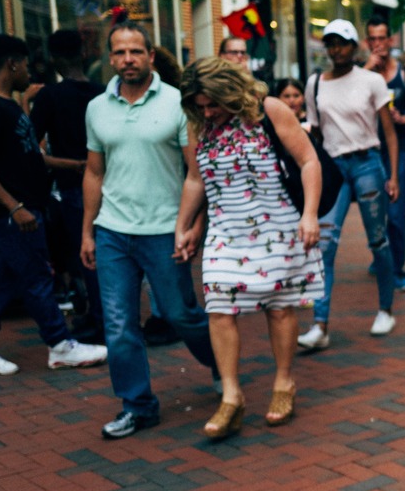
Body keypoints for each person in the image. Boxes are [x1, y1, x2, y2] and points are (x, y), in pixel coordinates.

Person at [82, 22, 218, 439]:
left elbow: (197, 173)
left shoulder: (179, 103)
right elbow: (93, 171)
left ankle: (220, 362)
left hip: (164, 231)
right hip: (112, 233)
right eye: (120, 53)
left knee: (182, 314)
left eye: (135, 52)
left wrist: (193, 225)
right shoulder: (97, 107)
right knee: (119, 323)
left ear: (151, 56)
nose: (128, 60)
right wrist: (87, 231)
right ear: (110, 58)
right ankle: (138, 406)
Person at [176, 57, 323, 438]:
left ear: (231, 92)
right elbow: (195, 179)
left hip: (276, 227)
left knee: (279, 308)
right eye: (201, 105)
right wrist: (185, 227)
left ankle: (284, 383)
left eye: (214, 104)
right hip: (224, 232)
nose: (208, 112)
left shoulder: (269, 110)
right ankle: (231, 395)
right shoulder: (198, 123)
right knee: (220, 309)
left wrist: (309, 214)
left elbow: (308, 160)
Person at [0, 34, 107, 375]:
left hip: (24, 209)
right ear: (12, 64)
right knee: (38, 276)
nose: (29, 71)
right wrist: (14, 207)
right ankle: (60, 345)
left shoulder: (9, 106)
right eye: (25, 64)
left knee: (0, 277)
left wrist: (75, 167)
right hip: (13, 215)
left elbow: (30, 156)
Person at [299, 18, 401, 345]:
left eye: (342, 42)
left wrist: (394, 175)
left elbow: (389, 132)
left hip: (367, 163)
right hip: (332, 167)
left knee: (378, 239)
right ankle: (320, 325)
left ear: (354, 46)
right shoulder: (315, 83)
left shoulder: (371, 81)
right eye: (330, 43)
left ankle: (385, 308)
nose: (336, 49)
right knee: (325, 244)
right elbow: (313, 131)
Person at [31, 29, 106, 341]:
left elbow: (29, 146)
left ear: (53, 59)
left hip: (73, 186)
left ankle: (101, 319)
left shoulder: (50, 96)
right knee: (105, 254)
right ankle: (103, 315)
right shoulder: (102, 92)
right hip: (109, 181)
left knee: (87, 255)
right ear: (84, 54)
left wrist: (67, 164)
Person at [366, 18, 405, 293]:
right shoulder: (361, 74)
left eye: (382, 38)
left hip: (397, 151)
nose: (378, 44)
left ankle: (397, 269)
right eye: (372, 39)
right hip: (369, 152)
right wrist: (365, 72)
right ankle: (380, 259)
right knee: (375, 212)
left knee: (397, 212)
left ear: (390, 40)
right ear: (368, 43)